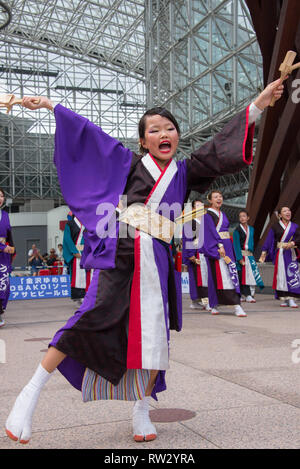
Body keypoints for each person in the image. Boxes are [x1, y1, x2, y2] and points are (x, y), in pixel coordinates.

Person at [5, 78, 284, 445]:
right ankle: (30, 393)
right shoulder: (128, 164)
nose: (163, 133)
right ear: (143, 141)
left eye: (170, 128)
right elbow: (92, 137)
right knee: (91, 315)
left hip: (159, 259)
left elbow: (218, 149)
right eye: (154, 130)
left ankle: (141, 409)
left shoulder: (185, 171)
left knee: (155, 336)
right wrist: (52, 107)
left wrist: (258, 106)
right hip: (122, 253)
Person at [203, 190, 247, 317]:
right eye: (216, 197)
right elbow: (210, 231)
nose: (219, 198)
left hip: (227, 246)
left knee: (230, 274)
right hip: (217, 248)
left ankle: (235, 304)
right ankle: (219, 303)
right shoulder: (208, 215)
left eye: (220, 196)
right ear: (210, 200)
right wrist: (219, 245)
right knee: (218, 276)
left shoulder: (223, 214)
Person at [259, 206, 300, 308]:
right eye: (285, 211)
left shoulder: (295, 226)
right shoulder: (275, 227)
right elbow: (269, 240)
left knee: (291, 274)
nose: (288, 212)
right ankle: (284, 297)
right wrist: (264, 252)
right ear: (280, 215)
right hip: (280, 254)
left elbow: (299, 237)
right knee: (281, 275)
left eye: (289, 210)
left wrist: (293, 242)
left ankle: (291, 298)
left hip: (291, 253)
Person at [182, 200, 211, 311]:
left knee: (206, 277)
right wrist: (190, 254)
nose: (200, 207)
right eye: (198, 205)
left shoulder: (206, 222)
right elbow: (187, 240)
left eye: (202, 205)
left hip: (206, 253)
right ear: (193, 209)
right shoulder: (189, 222)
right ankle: (199, 301)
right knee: (197, 278)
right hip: (195, 254)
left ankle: (203, 300)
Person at [233, 209, 264, 302]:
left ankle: (248, 294)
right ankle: (246, 294)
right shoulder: (237, 230)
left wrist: (251, 255)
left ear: (248, 217)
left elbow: (252, 243)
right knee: (242, 276)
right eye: (240, 216)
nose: (242, 218)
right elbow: (236, 245)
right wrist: (239, 258)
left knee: (250, 275)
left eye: (244, 216)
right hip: (241, 256)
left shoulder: (251, 229)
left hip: (249, 256)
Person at [63, 214, 87, 305]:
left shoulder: (87, 223)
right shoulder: (70, 224)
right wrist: (74, 251)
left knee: (86, 275)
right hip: (75, 253)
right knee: (77, 276)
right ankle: (77, 296)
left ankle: (86, 296)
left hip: (86, 252)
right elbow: (67, 239)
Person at [0, 188, 15, 328]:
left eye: (2, 196)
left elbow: (9, 234)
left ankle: (0, 310)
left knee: (4, 283)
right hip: (2, 248)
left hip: (4, 254)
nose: (0, 198)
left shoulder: (5, 214)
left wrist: (12, 249)